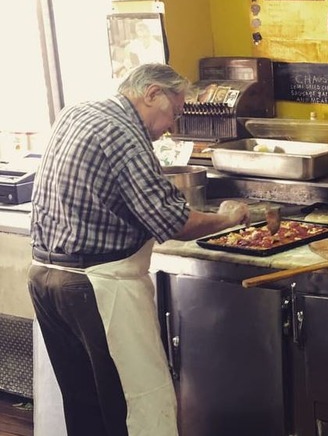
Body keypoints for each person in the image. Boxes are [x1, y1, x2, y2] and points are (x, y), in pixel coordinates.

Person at [28, 63, 251, 435]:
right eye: (174, 113)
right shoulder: (123, 133)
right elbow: (172, 222)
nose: (172, 128)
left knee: (87, 409)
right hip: (96, 286)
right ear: (151, 94)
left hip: (45, 279)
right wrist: (228, 218)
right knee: (138, 406)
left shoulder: (79, 111)